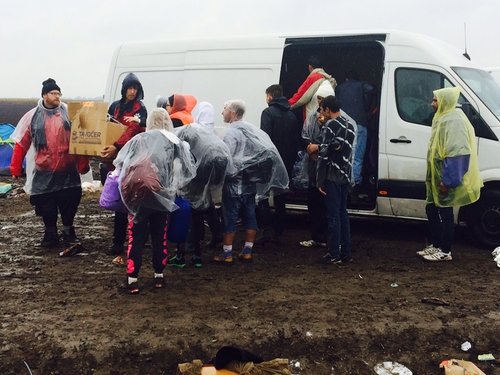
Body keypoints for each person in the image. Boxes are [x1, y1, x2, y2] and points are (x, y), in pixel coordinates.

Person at [114, 108, 196, 293]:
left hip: (139, 196)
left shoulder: (139, 139)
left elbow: (120, 162)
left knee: (136, 238)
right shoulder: (174, 142)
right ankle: (159, 277)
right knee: (160, 236)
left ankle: (132, 279)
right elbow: (186, 168)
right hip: (163, 196)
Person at [10, 78, 90, 247]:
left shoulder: (70, 113)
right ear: (45, 95)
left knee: (70, 204)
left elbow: (82, 139)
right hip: (44, 171)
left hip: (68, 170)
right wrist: (15, 168)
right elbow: (21, 143)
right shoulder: (32, 117)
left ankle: (68, 230)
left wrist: (83, 165)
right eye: (53, 93)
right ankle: (50, 232)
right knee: (46, 206)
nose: (57, 96)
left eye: (59, 93)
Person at [214, 100, 288, 264]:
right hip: (250, 183)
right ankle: (247, 251)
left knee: (230, 218)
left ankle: (227, 253)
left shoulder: (231, 133)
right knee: (250, 216)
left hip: (234, 184)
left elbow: (227, 157)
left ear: (232, 112)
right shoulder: (251, 130)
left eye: (224, 109)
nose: (222, 112)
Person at [417, 87, 482, 262]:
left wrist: (448, 180)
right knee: (432, 209)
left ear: (445, 101)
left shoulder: (454, 120)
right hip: (436, 176)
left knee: (444, 213)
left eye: (435, 100)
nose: (432, 103)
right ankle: (436, 244)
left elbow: (458, 152)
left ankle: (445, 250)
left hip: (444, 176)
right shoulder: (443, 117)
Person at [170, 122, 232, 268]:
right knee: (198, 226)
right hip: (201, 197)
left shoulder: (187, 154)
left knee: (184, 225)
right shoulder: (204, 155)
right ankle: (197, 257)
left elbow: (178, 176)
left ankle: (180, 256)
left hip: (186, 197)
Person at [100, 73, 148, 256]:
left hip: (133, 159)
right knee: (119, 203)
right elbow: (106, 127)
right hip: (113, 161)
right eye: (129, 88)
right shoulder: (115, 107)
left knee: (134, 202)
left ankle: (137, 241)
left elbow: (136, 128)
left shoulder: (140, 109)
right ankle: (118, 242)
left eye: (135, 88)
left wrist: (117, 145)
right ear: (124, 89)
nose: (132, 91)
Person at [316, 95, 356, 264]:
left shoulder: (330, 125)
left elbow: (324, 154)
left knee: (333, 216)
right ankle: (346, 252)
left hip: (332, 175)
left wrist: (319, 180)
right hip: (345, 175)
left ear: (327, 109)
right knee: (342, 214)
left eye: (322, 109)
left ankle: (333, 254)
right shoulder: (351, 126)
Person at [260, 84, 300, 240]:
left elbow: (265, 138)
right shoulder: (291, 115)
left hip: (271, 160)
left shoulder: (268, 113)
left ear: (270, 96)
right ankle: (279, 229)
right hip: (287, 160)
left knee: (263, 195)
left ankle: (266, 228)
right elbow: (295, 139)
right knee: (280, 195)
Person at [335, 71, 375, 190]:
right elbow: (372, 89)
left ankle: (343, 181)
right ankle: (355, 184)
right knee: (357, 157)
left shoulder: (339, 88)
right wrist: (366, 106)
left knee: (343, 155)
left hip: (343, 125)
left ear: (346, 78)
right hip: (360, 123)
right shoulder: (362, 85)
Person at [288, 55, 337, 121]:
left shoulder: (314, 77)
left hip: (313, 117)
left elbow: (301, 95)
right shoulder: (326, 78)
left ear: (310, 67)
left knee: (314, 129)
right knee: (323, 127)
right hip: (325, 115)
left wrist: (286, 105)